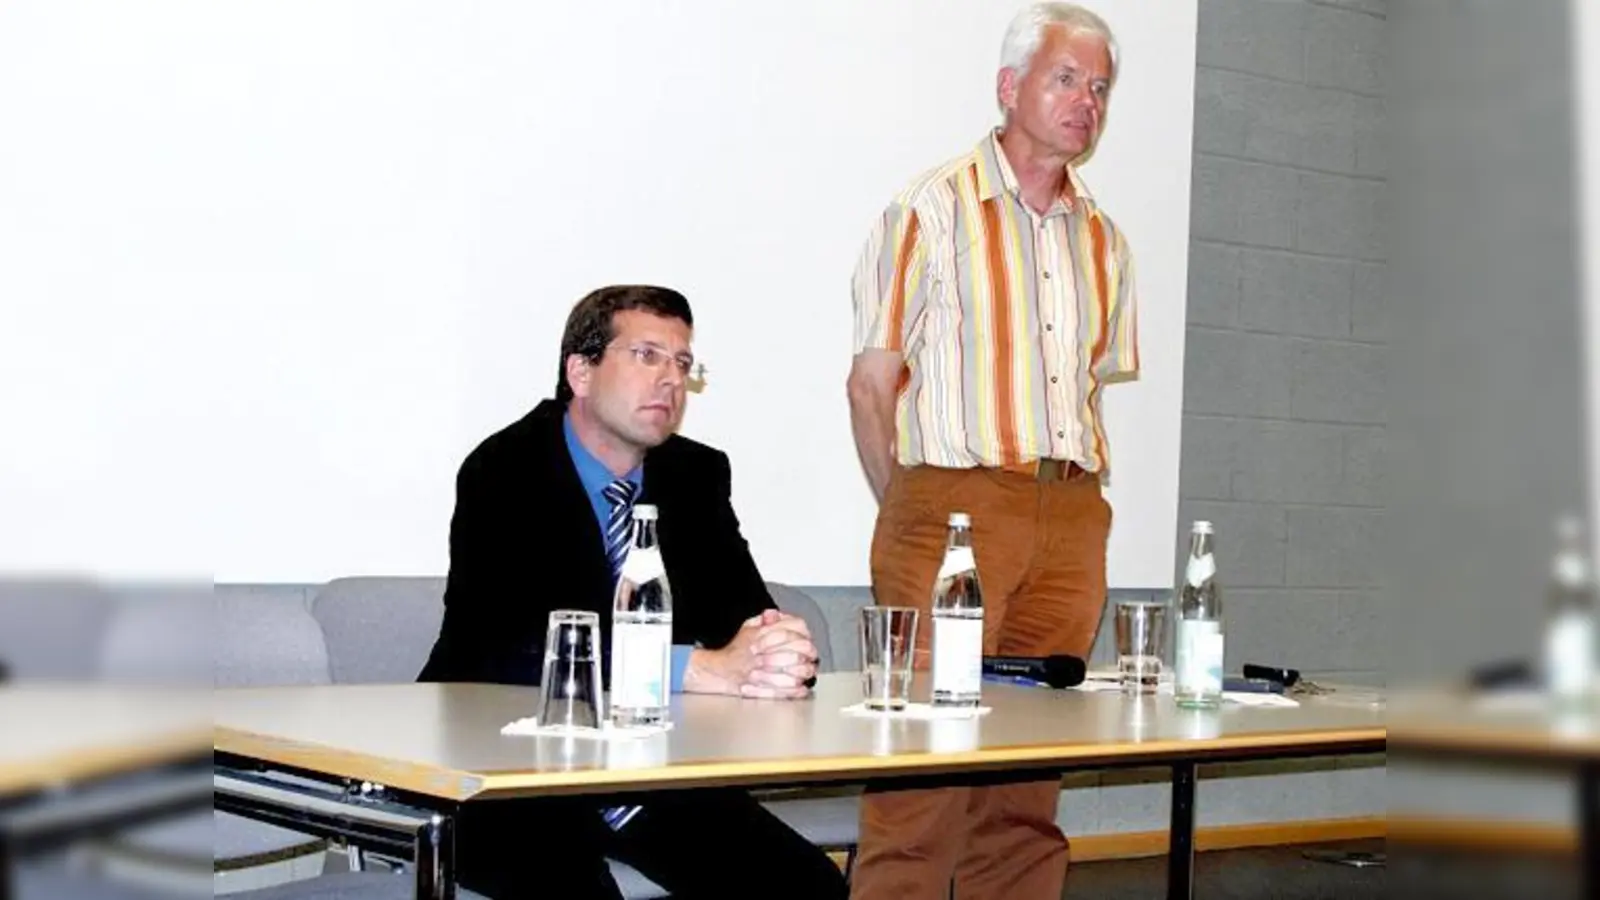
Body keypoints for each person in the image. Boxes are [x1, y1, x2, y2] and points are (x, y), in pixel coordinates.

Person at [419, 284, 848, 900]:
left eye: (682, 362)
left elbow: (743, 614)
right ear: (581, 372)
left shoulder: (695, 475)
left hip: (647, 769)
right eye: (647, 356)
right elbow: (513, 646)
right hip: (502, 768)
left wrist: (775, 649)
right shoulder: (505, 469)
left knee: (804, 884)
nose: (671, 379)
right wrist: (695, 668)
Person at [845, 4, 1139, 898]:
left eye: (1100, 88)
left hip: (1071, 511)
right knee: (924, 776)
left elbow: (1085, 387)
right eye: (1066, 78)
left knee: (1027, 775)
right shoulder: (930, 208)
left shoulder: (1104, 239)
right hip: (952, 503)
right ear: (1009, 88)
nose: (1086, 101)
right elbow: (871, 385)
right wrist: (917, 509)